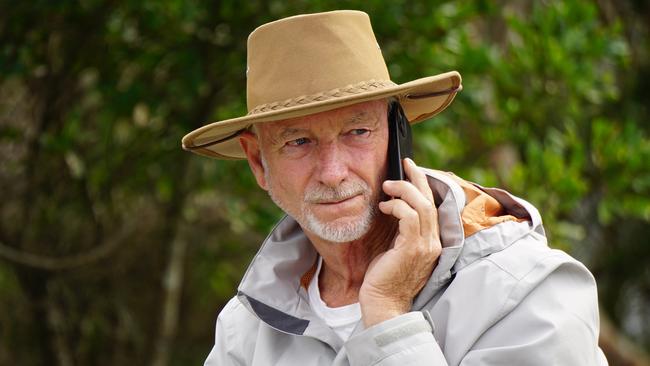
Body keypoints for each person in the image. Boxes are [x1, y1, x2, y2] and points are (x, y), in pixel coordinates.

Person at [182, 10, 608, 366]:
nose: (332, 172)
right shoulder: (246, 327)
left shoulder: (529, 289)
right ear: (259, 162)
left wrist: (388, 314)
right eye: (298, 142)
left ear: (397, 135)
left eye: (358, 131)